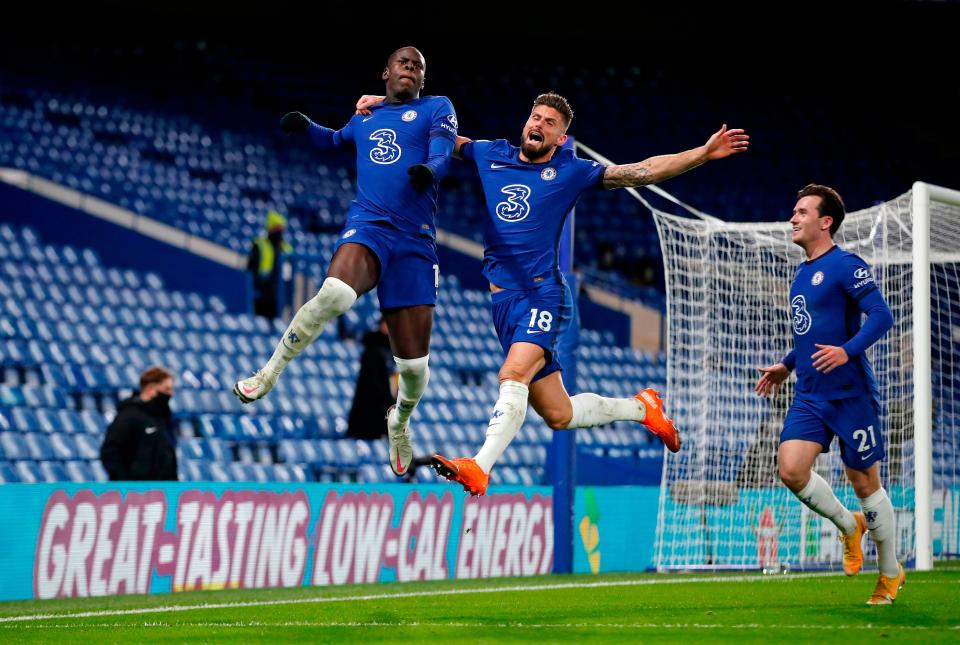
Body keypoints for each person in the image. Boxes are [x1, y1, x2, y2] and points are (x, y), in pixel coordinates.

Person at [357, 92, 748, 495]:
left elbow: (641, 171)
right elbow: (433, 132)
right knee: (559, 414)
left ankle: (479, 465)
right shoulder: (489, 154)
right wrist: (389, 105)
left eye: (549, 123)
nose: (538, 125)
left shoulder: (571, 170)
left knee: (512, 374)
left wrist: (702, 153)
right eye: (535, 117)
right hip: (502, 304)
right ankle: (642, 408)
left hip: (542, 295)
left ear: (561, 138)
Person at [233, 47, 458, 480]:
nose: (410, 68)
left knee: (414, 369)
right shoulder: (365, 119)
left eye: (418, 66)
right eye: (403, 63)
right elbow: (335, 139)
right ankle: (269, 371)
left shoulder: (437, 107)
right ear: (386, 72)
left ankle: (400, 422)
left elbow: (443, 150)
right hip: (369, 225)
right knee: (334, 293)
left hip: (415, 242)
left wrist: (429, 170)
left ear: (423, 80)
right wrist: (307, 127)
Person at [754, 184, 901, 605]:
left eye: (801, 212)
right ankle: (848, 526)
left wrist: (847, 351)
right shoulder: (801, 274)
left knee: (864, 481)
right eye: (793, 211)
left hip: (850, 394)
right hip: (810, 394)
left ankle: (889, 573)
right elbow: (811, 332)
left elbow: (881, 315)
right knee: (791, 470)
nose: (792, 218)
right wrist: (787, 364)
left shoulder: (845, 265)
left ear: (825, 221)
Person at [100, 366, 177, 481]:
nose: (171, 394)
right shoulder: (128, 415)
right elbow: (110, 452)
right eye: (166, 389)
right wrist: (126, 484)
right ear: (151, 389)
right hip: (137, 492)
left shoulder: (162, 418)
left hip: (164, 490)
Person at [347, 318, 397, 439]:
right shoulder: (373, 350)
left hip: (380, 408)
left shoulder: (391, 351)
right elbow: (373, 384)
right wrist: (388, 399)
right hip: (370, 411)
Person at [247, 210, 293, 319]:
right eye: (277, 229)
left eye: (281, 229)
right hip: (262, 295)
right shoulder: (259, 245)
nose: (279, 232)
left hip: (280, 296)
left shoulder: (287, 249)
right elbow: (250, 269)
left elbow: (289, 274)